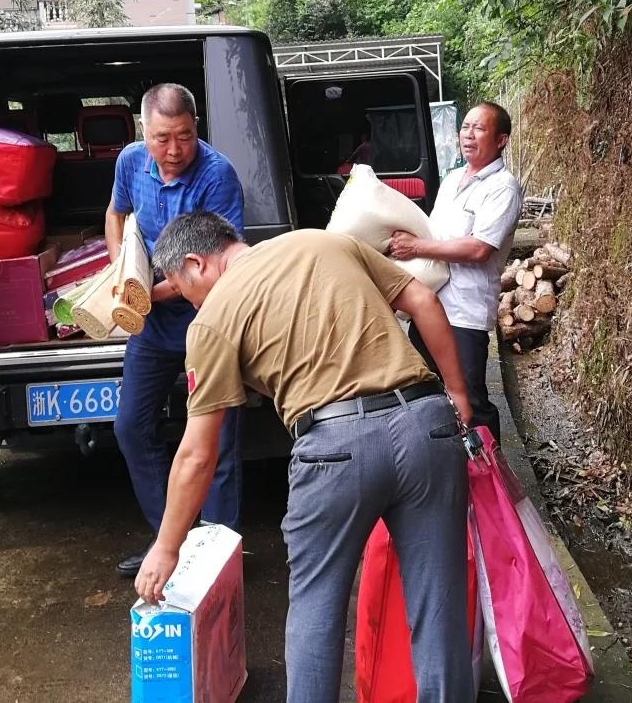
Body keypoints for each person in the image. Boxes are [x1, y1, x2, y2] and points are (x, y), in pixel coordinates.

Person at [135, 212, 475, 703]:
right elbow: (421, 298)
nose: (190, 303)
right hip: (428, 424)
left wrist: (167, 547)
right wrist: (458, 395)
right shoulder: (324, 240)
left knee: (316, 609)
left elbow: (196, 454)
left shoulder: (211, 321)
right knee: (439, 607)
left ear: (196, 263)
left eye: (182, 290)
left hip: (335, 450)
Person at [106, 83, 245, 577]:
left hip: (205, 323)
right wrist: (120, 270)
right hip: (151, 329)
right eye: (162, 138)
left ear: (195, 129)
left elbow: (212, 268)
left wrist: (138, 295)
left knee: (217, 444)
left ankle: (219, 554)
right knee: (130, 427)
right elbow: (116, 213)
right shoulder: (129, 162)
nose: (172, 150)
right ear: (144, 131)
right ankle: (172, 542)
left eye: (183, 137)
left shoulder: (216, 175)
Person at [389, 101, 522, 443]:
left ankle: (493, 488)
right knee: (429, 396)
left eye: (479, 128)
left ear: (501, 140)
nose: (468, 134)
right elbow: (434, 235)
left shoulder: (503, 187)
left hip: (464, 313)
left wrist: (416, 247)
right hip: (430, 306)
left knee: (471, 402)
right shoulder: (450, 180)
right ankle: (453, 481)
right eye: (465, 127)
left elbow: (479, 248)